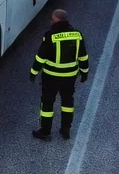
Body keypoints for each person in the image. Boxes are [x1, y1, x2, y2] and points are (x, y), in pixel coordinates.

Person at [31, 9, 90, 140]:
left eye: (52, 19)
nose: (50, 21)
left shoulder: (50, 36)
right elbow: (83, 56)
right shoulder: (77, 34)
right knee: (68, 103)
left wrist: (33, 72)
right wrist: (84, 72)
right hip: (69, 77)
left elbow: (41, 57)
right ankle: (66, 129)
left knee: (47, 104)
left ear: (56, 20)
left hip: (51, 77)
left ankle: (45, 132)